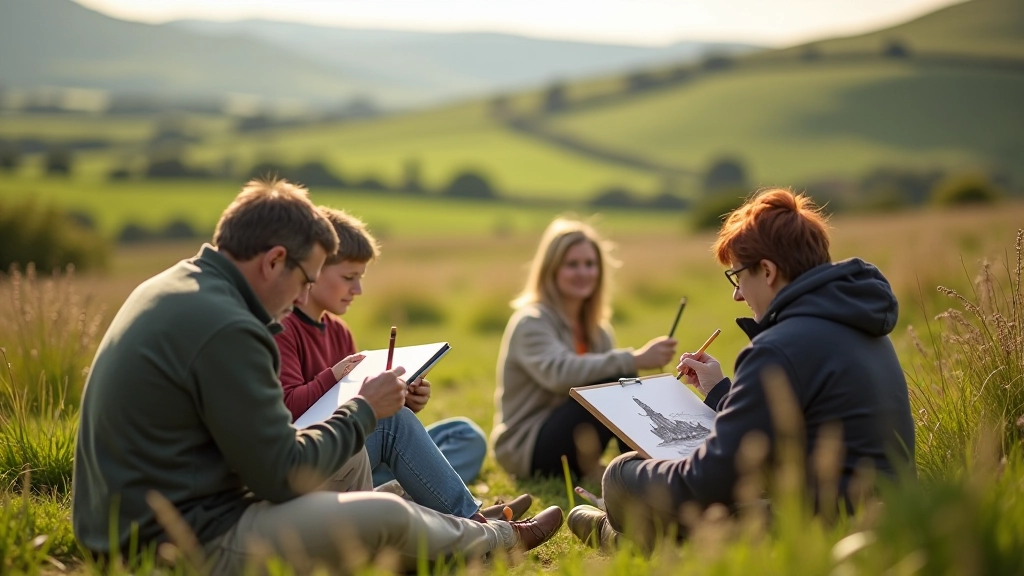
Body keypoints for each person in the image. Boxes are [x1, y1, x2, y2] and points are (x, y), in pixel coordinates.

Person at [71, 178, 563, 574]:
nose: (301, 297)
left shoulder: (179, 285)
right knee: (385, 513)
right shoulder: (228, 326)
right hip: (175, 544)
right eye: (306, 279)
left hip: (149, 518)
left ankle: (444, 526)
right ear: (273, 261)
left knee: (359, 463)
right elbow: (281, 474)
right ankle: (495, 540)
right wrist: (364, 410)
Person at [567, 188, 915, 552]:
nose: (737, 295)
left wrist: (624, 475)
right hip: (887, 517)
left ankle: (618, 537)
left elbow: (703, 483)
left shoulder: (779, 347)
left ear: (767, 271)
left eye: (737, 277)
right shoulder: (859, 324)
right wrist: (720, 392)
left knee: (624, 475)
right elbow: (787, 429)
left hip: (820, 530)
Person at [275, 206, 528, 521]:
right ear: (313, 270)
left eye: (361, 278)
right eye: (349, 277)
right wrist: (334, 377)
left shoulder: (340, 332)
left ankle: (399, 498)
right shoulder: (283, 328)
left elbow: (361, 413)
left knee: (464, 435)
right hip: (314, 464)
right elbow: (289, 411)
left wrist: (402, 400)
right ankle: (477, 523)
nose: (358, 290)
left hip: (354, 459)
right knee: (393, 426)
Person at [491, 217, 677, 480]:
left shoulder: (598, 330)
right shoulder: (531, 322)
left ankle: (654, 467)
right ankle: (645, 475)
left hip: (571, 438)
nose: (583, 272)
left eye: (590, 264)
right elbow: (559, 375)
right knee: (618, 380)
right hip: (527, 446)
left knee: (620, 382)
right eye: (572, 264)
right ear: (551, 270)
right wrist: (634, 359)